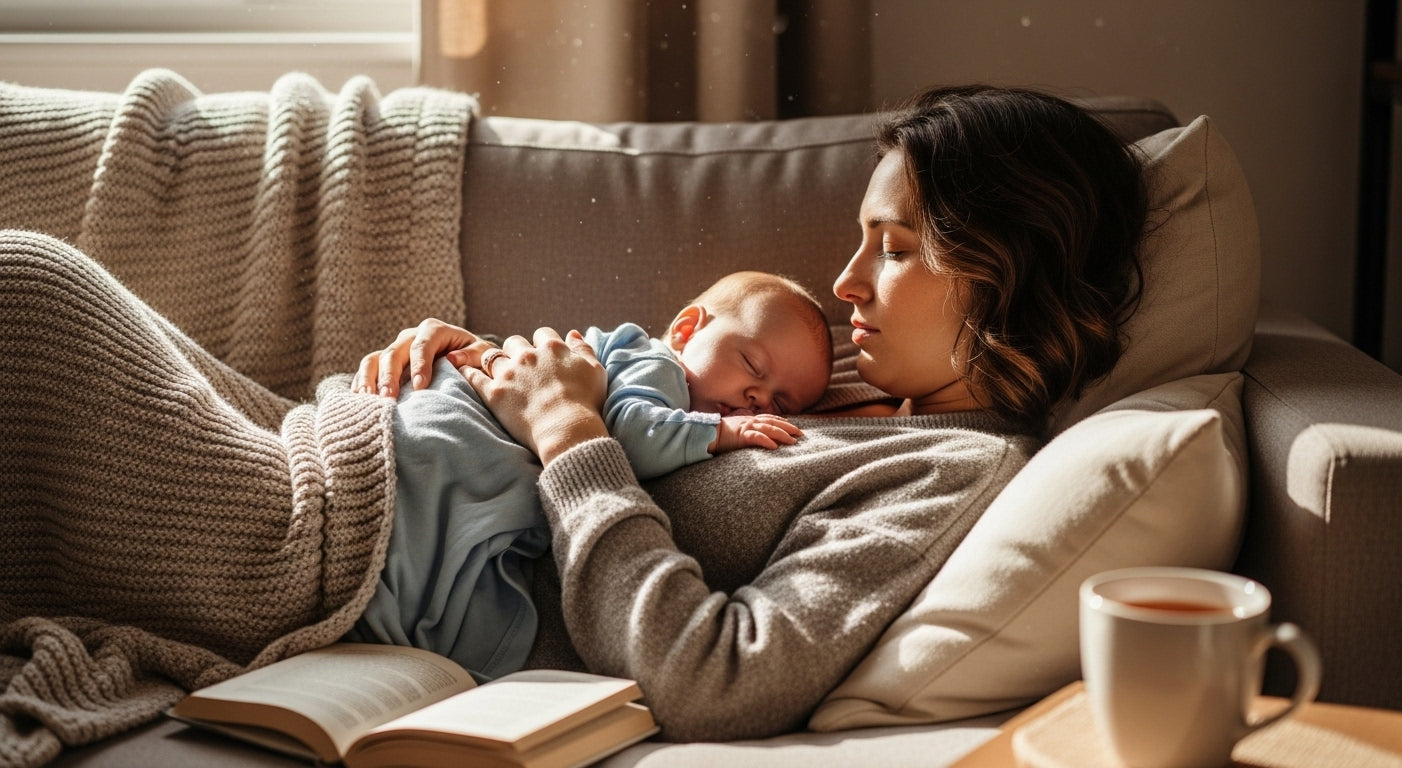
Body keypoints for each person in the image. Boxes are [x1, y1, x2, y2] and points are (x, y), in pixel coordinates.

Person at [360, 84, 1148, 740]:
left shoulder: (948, 471)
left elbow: (718, 681)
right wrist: (470, 360)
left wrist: (569, 434)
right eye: (863, 240)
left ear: (1011, 275)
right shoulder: (839, 366)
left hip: (369, 557)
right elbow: (632, 374)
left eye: (897, 248)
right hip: (363, 442)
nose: (845, 283)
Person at [346, 270, 833, 680]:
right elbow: (631, 436)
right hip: (429, 436)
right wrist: (722, 431)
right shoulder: (657, 365)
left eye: (781, 402)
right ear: (686, 331)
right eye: (752, 364)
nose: (758, 400)